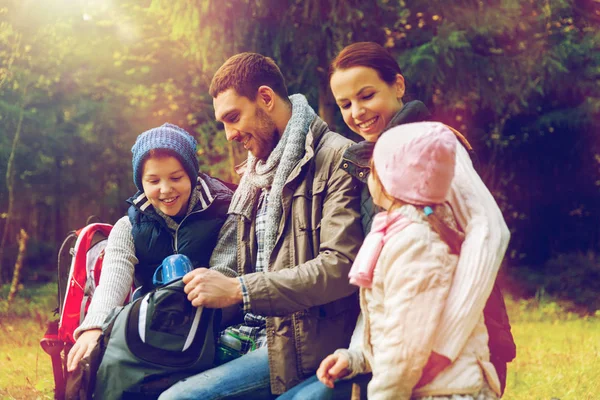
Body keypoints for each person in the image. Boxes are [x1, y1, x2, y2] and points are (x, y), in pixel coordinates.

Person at [278, 41, 513, 399]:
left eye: (366, 95)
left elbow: (489, 232)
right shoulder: (372, 166)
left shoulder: (433, 148)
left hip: (460, 361)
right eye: (345, 104)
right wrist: (358, 352)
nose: (357, 112)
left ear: (398, 86)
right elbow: (382, 285)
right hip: (408, 361)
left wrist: (444, 347)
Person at [157, 52, 364, 400]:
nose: (228, 135)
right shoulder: (255, 177)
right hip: (247, 334)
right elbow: (232, 264)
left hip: (299, 345)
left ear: (266, 98)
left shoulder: (338, 160)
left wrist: (241, 290)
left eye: (233, 117)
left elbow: (340, 267)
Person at [319, 121, 501, 399]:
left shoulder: (416, 244)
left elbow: (405, 348)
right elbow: (392, 323)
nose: (367, 178)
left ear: (391, 182)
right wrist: (355, 358)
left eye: (373, 170)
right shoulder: (401, 235)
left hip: (447, 392)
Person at [66, 123, 234, 372]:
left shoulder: (224, 212)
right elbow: (113, 279)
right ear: (140, 182)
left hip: (213, 326)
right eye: (153, 180)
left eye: (176, 178)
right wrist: (94, 326)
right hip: (153, 328)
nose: (166, 190)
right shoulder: (129, 226)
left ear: (192, 175)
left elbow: (226, 275)